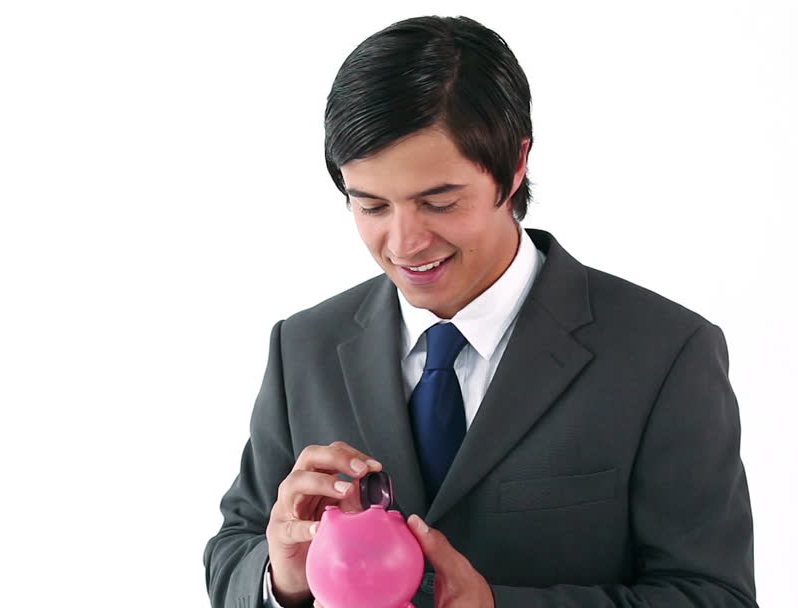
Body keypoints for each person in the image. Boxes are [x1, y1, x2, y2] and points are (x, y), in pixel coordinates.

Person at [204, 15, 757, 608]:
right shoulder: (302, 346)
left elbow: (714, 596)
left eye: (439, 202)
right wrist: (282, 577)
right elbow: (234, 548)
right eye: (371, 206)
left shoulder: (665, 354)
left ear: (515, 166)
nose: (404, 243)